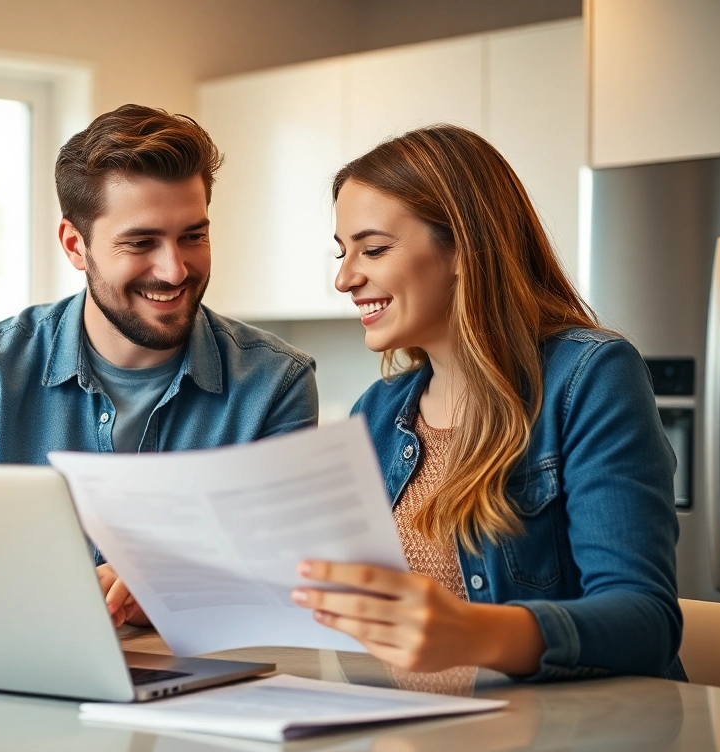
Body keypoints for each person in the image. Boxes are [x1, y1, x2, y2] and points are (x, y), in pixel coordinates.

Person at [0, 104, 319, 627]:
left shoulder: (276, 383)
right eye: (141, 243)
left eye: (193, 236)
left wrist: (176, 582)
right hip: (13, 671)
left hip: (204, 688)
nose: (174, 269)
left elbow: (287, 576)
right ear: (76, 245)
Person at [292, 124, 684, 681]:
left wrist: (473, 632)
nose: (345, 278)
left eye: (373, 249)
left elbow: (646, 623)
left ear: (463, 247)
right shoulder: (375, 413)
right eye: (343, 252)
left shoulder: (589, 377)